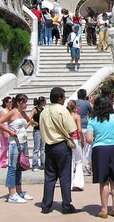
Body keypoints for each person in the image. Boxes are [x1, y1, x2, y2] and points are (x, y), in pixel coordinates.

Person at [39, 87, 80, 215]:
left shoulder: (44, 111)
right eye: (63, 97)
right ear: (60, 98)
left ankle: (46, 205)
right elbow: (71, 129)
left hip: (49, 145)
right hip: (61, 145)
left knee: (49, 176)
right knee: (64, 176)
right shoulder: (62, 110)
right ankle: (66, 205)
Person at [0, 93, 33, 204]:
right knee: (12, 168)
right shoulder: (12, 112)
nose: (26, 104)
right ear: (20, 102)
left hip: (23, 142)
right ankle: (12, 194)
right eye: (25, 102)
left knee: (20, 167)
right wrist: (10, 131)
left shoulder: (22, 113)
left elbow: (29, 121)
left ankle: (19, 192)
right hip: (14, 143)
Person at [66, 100, 84, 191]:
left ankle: (69, 183)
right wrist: (82, 140)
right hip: (76, 139)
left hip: (67, 139)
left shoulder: (66, 116)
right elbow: (79, 130)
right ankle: (78, 183)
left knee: (70, 161)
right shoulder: (77, 116)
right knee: (79, 161)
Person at [75, 89, 93, 175]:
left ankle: (77, 165)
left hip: (75, 126)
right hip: (85, 126)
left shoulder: (74, 102)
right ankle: (87, 165)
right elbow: (92, 112)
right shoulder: (87, 103)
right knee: (87, 148)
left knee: (78, 146)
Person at [30, 97, 46, 171]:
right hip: (37, 131)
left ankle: (43, 164)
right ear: (41, 102)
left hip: (43, 130)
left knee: (43, 149)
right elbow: (29, 118)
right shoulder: (35, 110)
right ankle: (35, 165)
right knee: (36, 149)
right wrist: (33, 123)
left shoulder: (43, 110)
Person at [0, 97, 12, 168]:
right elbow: (0, 122)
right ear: (6, 103)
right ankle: (2, 162)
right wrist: (4, 131)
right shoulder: (3, 111)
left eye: (11, 101)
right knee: (4, 147)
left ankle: (8, 160)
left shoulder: (11, 110)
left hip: (10, 129)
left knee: (10, 147)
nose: (11, 103)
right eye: (9, 102)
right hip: (4, 129)